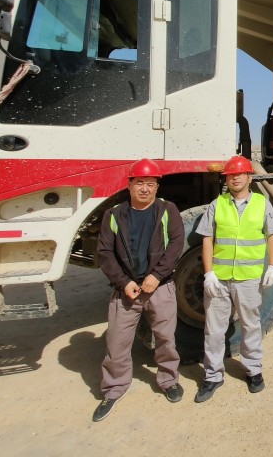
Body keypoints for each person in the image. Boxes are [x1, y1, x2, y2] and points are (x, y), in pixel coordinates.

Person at [92, 158, 185, 422]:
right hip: (126, 291)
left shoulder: (167, 210)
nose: (145, 189)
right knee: (117, 342)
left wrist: (157, 275)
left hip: (160, 288)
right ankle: (114, 388)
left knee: (166, 338)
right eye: (140, 183)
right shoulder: (114, 215)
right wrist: (124, 282)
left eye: (150, 184)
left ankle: (169, 380)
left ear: (157, 187)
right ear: (130, 185)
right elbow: (105, 253)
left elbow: (176, 244)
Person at [194, 155, 273, 402]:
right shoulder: (217, 204)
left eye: (239, 174)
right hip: (220, 279)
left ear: (249, 177)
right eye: (231, 175)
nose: (234, 178)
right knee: (214, 329)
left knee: (251, 325)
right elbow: (207, 238)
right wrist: (209, 273)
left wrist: (272, 267)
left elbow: (272, 235)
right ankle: (213, 376)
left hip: (248, 279)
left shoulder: (262, 204)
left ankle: (254, 371)